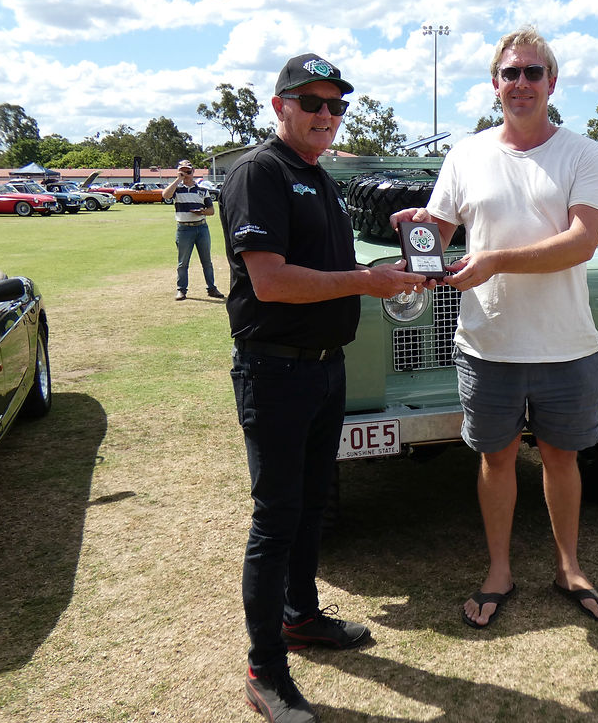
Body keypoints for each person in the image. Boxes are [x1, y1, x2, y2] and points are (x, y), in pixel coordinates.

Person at [218, 53, 427, 723]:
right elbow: (272, 280)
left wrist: (386, 267)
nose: (327, 116)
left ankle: (301, 616)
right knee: (276, 517)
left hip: (323, 367)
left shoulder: (321, 178)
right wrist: (365, 283)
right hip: (275, 369)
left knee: (310, 507)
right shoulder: (260, 173)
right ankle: (265, 669)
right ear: (280, 106)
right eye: (312, 102)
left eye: (337, 105)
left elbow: (333, 267)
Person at [391, 26, 598, 630]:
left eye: (533, 73)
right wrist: (417, 235)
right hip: (486, 343)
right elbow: (438, 234)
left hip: (566, 344)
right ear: (495, 84)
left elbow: (581, 243)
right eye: (510, 73)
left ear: (552, 82)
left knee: (560, 460)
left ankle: (569, 567)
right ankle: (499, 571)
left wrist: (492, 260)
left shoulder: (582, 153)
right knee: (495, 461)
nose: (521, 83)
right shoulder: (465, 154)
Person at [161, 160, 225, 301]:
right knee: (183, 262)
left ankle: (212, 288)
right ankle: (181, 290)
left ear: (193, 172)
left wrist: (202, 211)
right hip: (184, 229)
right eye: (183, 171)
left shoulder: (202, 190)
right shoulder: (176, 189)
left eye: (188, 171)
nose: (186, 174)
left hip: (201, 227)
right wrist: (178, 179)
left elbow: (211, 210)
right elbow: (165, 195)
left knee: (206, 261)